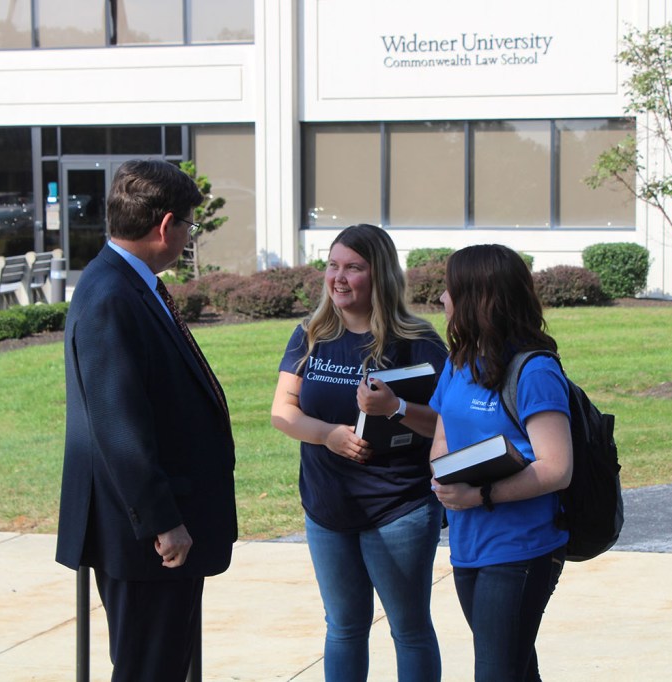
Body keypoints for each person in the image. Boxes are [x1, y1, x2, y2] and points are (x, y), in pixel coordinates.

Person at [56, 159, 237, 682]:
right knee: (149, 669)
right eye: (188, 227)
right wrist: (165, 521)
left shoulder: (128, 285)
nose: (187, 238)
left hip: (152, 532)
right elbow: (119, 427)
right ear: (165, 226)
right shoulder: (113, 295)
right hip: (147, 538)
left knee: (163, 664)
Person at [270, 224, 448, 681]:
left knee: (409, 629)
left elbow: (450, 426)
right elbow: (282, 411)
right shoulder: (310, 335)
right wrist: (328, 434)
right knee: (344, 627)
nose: (338, 277)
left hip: (399, 509)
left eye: (353, 267)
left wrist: (397, 407)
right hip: (327, 509)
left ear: (381, 275)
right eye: (332, 266)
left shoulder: (419, 341)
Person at [429, 244, 572, 682]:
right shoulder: (458, 361)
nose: (441, 299)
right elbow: (441, 433)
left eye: (449, 289)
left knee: (496, 673)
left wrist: (480, 494)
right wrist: (443, 477)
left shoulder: (535, 371)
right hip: (469, 544)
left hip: (522, 548)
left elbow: (556, 467)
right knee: (516, 668)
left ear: (476, 298)